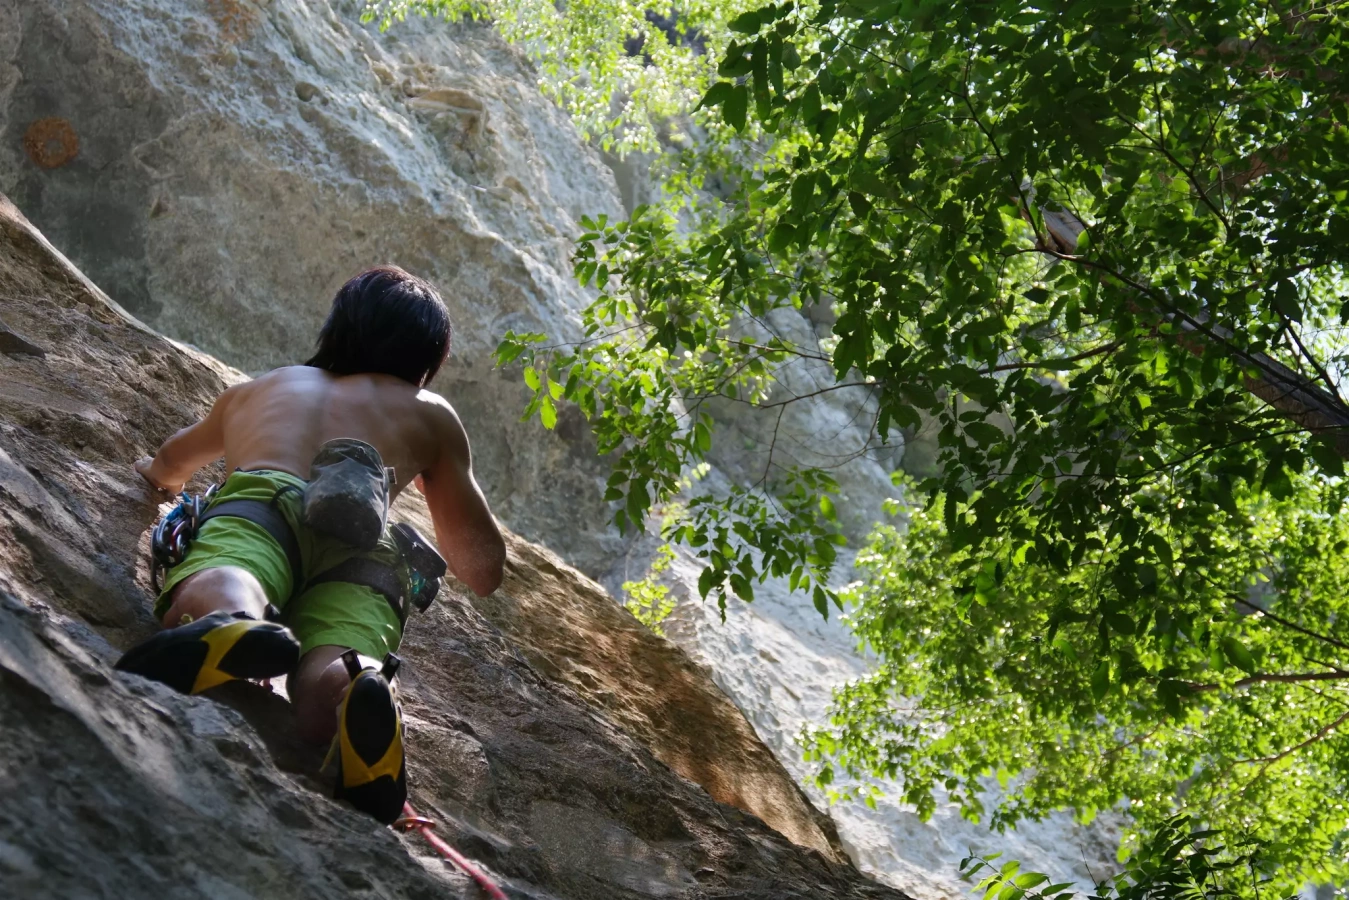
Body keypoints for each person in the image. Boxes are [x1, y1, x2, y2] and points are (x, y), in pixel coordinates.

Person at [116, 265, 506, 823]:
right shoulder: (430, 414)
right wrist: (429, 465)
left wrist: (156, 476)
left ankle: (234, 619)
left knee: (234, 569)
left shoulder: (264, 389)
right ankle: (358, 684)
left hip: (264, 506)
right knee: (345, 648)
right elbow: (482, 568)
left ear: (338, 329)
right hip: (366, 551)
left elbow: (171, 462)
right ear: (427, 360)